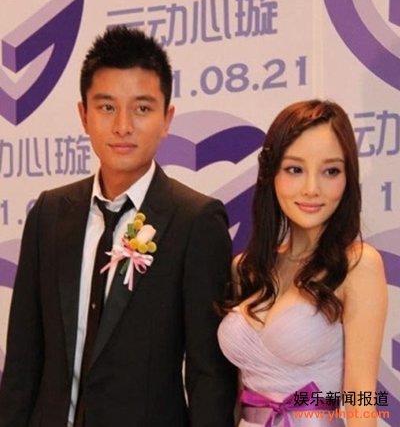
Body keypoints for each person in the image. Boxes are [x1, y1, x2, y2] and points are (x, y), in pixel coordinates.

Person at [0, 26, 237, 427]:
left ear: (167, 118)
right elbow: (23, 359)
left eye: (142, 109)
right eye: (107, 107)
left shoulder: (195, 221)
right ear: (84, 115)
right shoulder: (50, 213)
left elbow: (209, 376)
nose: (123, 126)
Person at [217, 99, 387, 427]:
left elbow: (360, 394)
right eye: (295, 169)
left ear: (348, 177)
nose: (312, 189)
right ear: (271, 175)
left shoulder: (357, 266)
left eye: (331, 171)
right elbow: (238, 391)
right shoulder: (246, 268)